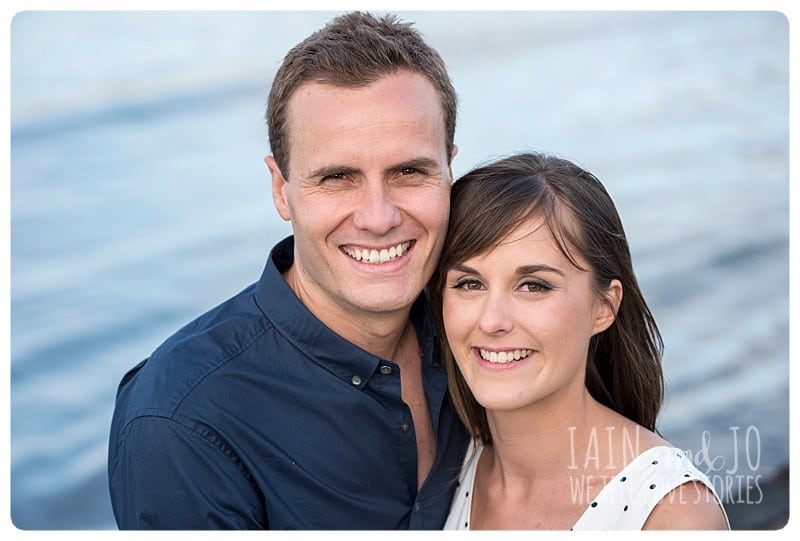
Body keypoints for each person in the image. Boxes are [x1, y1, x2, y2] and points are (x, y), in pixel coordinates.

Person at [108, 12, 468, 529]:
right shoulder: (181, 421)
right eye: (338, 177)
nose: (379, 217)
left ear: (449, 170)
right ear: (281, 188)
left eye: (409, 171)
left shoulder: (485, 333)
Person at [429, 153, 730, 530]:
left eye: (533, 286)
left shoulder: (670, 513)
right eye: (469, 283)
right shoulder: (450, 467)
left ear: (603, 308)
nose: (492, 321)